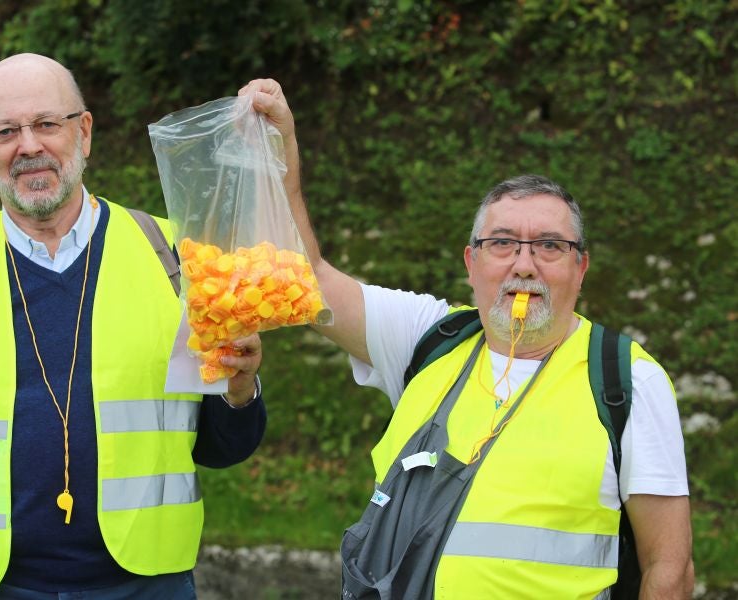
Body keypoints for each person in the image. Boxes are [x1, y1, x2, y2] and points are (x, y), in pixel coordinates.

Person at [239, 79, 694, 598]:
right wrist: (281, 150)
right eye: (502, 244)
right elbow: (307, 278)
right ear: (471, 262)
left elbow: (670, 569)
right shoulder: (429, 339)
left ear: (581, 267)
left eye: (549, 246)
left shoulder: (627, 379)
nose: (524, 265)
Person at [0, 53, 266, 599]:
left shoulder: (178, 262)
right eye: (6, 131)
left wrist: (240, 388)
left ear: (83, 133)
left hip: (144, 589)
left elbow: (222, 449)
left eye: (47, 124)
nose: (28, 145)